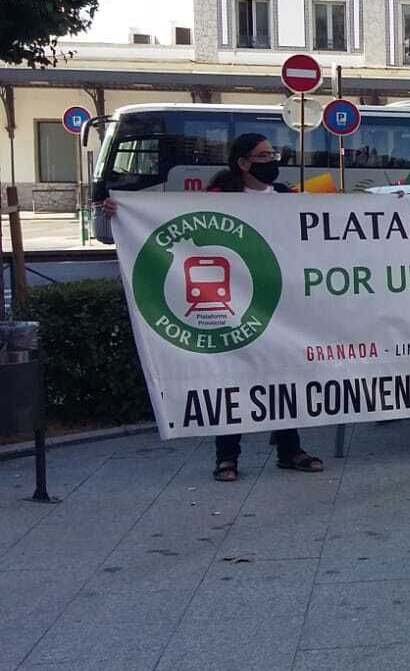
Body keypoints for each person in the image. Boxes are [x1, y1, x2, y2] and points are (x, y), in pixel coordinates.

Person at [98, 133, 324, 483]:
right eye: (263, 155)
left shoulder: (285, 197)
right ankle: (227, 456)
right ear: (243, 162)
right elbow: (166, 220)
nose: (272, 161)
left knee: (281, 375)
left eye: (273, 154)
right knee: (232, 377)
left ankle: (290, 450)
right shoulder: (217, 197)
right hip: (232, 302)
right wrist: (121, 212)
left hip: (278, 302)